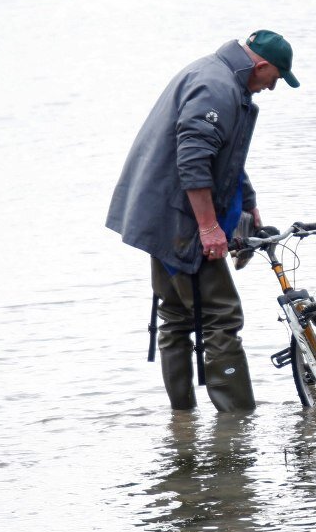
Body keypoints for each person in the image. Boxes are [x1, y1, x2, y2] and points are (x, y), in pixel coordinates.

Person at [107, 30, 299, 412]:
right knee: (222, 315)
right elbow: (193, 160)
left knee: (176, 316)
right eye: (274, 79)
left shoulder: (218, 76)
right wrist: (209, 227)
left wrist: (249, 202)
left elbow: (223, 158)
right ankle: (238, 425)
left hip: (161, 214)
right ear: (260, 66)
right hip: (180, 220)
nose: (271, 89)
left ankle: (184, 423)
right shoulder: (216, 87)